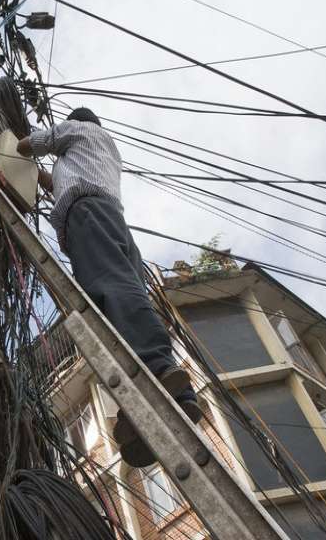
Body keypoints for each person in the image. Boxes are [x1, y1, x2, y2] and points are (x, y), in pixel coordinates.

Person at [16, 107, 202, 467]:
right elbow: (57, 184)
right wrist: (39, 175)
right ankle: (167, 400)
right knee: (113, 307)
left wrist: (8, 144)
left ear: (79, 123)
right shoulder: (99, 151)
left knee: (112, 292)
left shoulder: (77, 130)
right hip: (110, 218)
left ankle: (159, 367)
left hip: (87, 216)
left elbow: (34, 143)